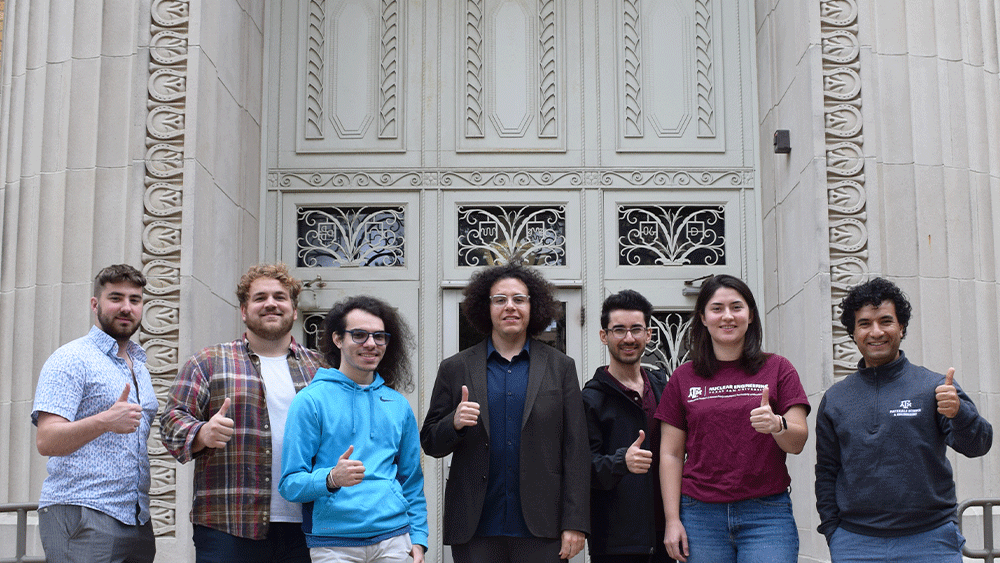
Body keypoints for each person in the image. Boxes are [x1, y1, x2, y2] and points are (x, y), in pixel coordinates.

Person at [420, 262, 590, 563]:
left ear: (532, 306)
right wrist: (454, 423)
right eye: (500, 299)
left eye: (518, 299)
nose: (509, 307)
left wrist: (575, 523)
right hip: (476, 526)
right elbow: (431, 442)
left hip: (542, 526)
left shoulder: (561, 367)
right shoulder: (455, 367)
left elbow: (576, 450)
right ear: (485, 308)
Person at [815, 277, 993, 563]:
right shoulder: (836, 398)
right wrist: (834, 533)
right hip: (856, 545)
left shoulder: (935, 387)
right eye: (864, 323)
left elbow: (979, 445)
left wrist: (960, 413)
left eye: (886, 321)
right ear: (853, 333)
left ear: (902, 327)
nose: (876, 332)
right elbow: (826, 470)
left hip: (930, 540)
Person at [160, 263, 326, 563]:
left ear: (294, 308)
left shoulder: (321, 369)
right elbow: (172, 421)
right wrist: (201, 433)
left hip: (308, 523)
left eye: (280, 297)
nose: (271, 303)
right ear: (244, 310)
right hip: (227, 523)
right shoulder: (208, 362)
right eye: (260, 297)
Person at [656, 274, 810, 563]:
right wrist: (672, 519)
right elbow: (671, 453)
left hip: (766, 514)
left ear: (750, 315)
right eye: (717, 308)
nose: (727, 316)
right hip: (700, 514)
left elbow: (797, 441)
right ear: (702, 317)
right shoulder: (683, 377)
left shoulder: (778, 368)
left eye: (736, 307)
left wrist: (778, 425)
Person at [279, 296, 427, 562]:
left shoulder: (398, 404)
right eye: (359, 335)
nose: (370, 344)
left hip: (394, 539)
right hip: (334, 543)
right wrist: (331, 478)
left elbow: (411, 481)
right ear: (338, 339)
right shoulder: (310, 401)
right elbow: (290, 484)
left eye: (379, 336)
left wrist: (418, 539)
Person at [32, 264, 157, 563]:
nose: (126, 308)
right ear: (95, 304)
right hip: (83, 512)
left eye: (134, 300)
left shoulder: (139, 366)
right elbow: (47, 441)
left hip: (136, 518)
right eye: (116, 298)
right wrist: (104, 421)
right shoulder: (71, 358)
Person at [583, 290, 674, 563]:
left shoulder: (663, 388)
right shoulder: (590, 399)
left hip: (667, 535)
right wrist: (621, 461)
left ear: (648, 335)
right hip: (616, 542)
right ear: (604, 336)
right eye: (619, 330)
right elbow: (580, 469)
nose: (629, 338)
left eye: (636, 329)